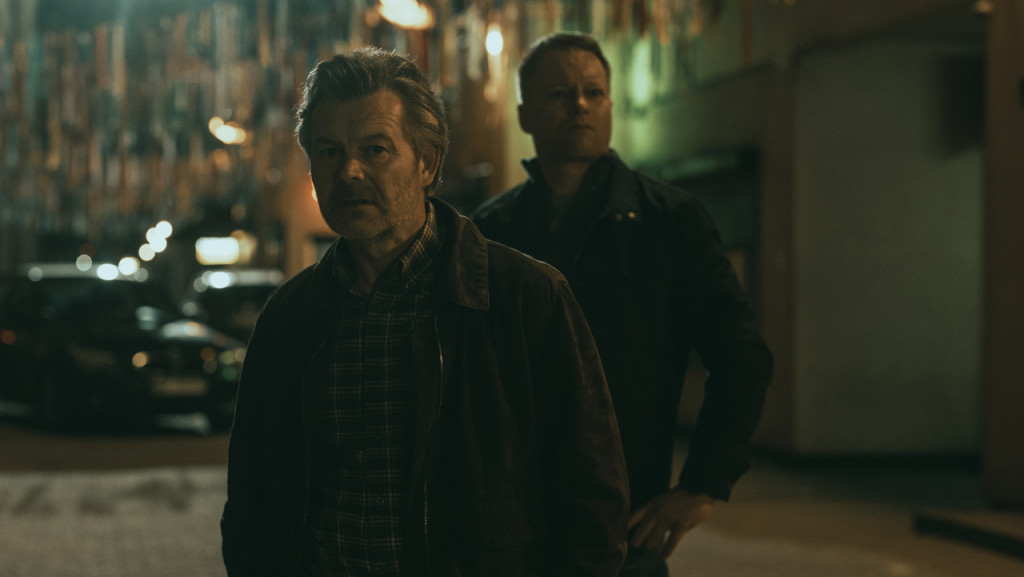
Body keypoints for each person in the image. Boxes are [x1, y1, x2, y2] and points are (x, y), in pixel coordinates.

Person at [220, 47, 630, 577]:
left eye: (375, 150)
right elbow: (251, 497)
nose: (348, 171)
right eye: (329, 151)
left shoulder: (524, 299)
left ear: (426, 163)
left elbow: (591, 496)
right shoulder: (290, 317)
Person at [471, 33, 773, 576]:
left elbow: (742, 356)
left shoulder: (669, 222)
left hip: (623, 524)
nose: (580, 105)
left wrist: (703, 484)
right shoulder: (492, 230)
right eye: (559, 94)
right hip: (508, 527)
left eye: (593, 92)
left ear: (610, 105)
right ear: (524, 114)